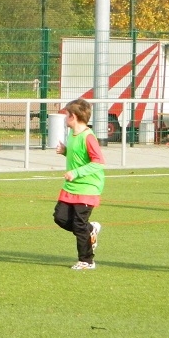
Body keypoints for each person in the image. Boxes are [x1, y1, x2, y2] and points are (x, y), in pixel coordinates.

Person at [53, 98, 105, 270]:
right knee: (60, 217)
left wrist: (75, 173)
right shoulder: (72, 134)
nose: (65, 117)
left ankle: (86, 261)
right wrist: (65, 151)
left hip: (87, 187)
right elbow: (79, 156)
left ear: (73, 116)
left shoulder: (88, 137)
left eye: (67, 114)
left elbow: (98, 162)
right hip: (72, 186)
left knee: (79, 224)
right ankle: (90, 230)